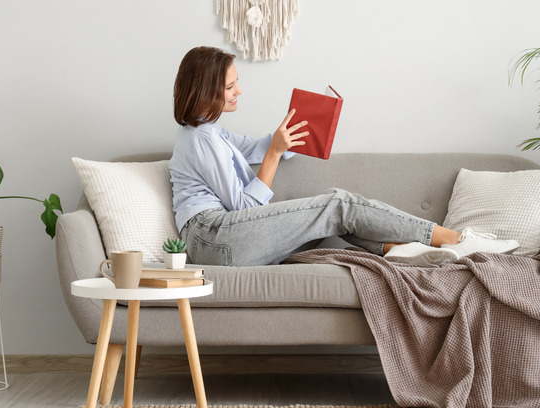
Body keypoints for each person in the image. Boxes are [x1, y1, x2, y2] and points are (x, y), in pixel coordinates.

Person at [170, 46, 518, 267]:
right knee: (338, 204)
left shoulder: (210, 132)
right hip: (214, 238)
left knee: (334, 211)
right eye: (230, 86)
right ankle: (457, 239)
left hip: (219, 240)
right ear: (208, 90)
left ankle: (399, 249)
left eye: (237, 83)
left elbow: (256, 147)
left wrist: (295, 131)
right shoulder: (200, 139)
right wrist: (275, 152)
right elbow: (243, 209)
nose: (239, 91)